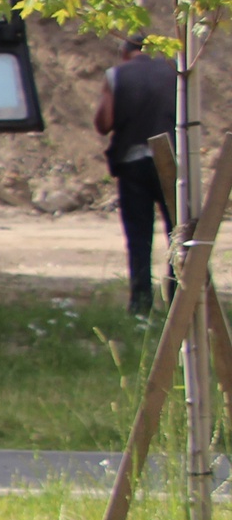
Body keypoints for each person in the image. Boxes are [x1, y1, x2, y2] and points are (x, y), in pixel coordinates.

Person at [95, 36, 177, 317]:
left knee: (139, 236)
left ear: (125, 52)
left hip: (133, 162)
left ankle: (140, 305)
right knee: (178, 232)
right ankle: (178, 299)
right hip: (172, 161)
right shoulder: (176, 71)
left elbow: (104, 123)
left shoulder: (116, 75)